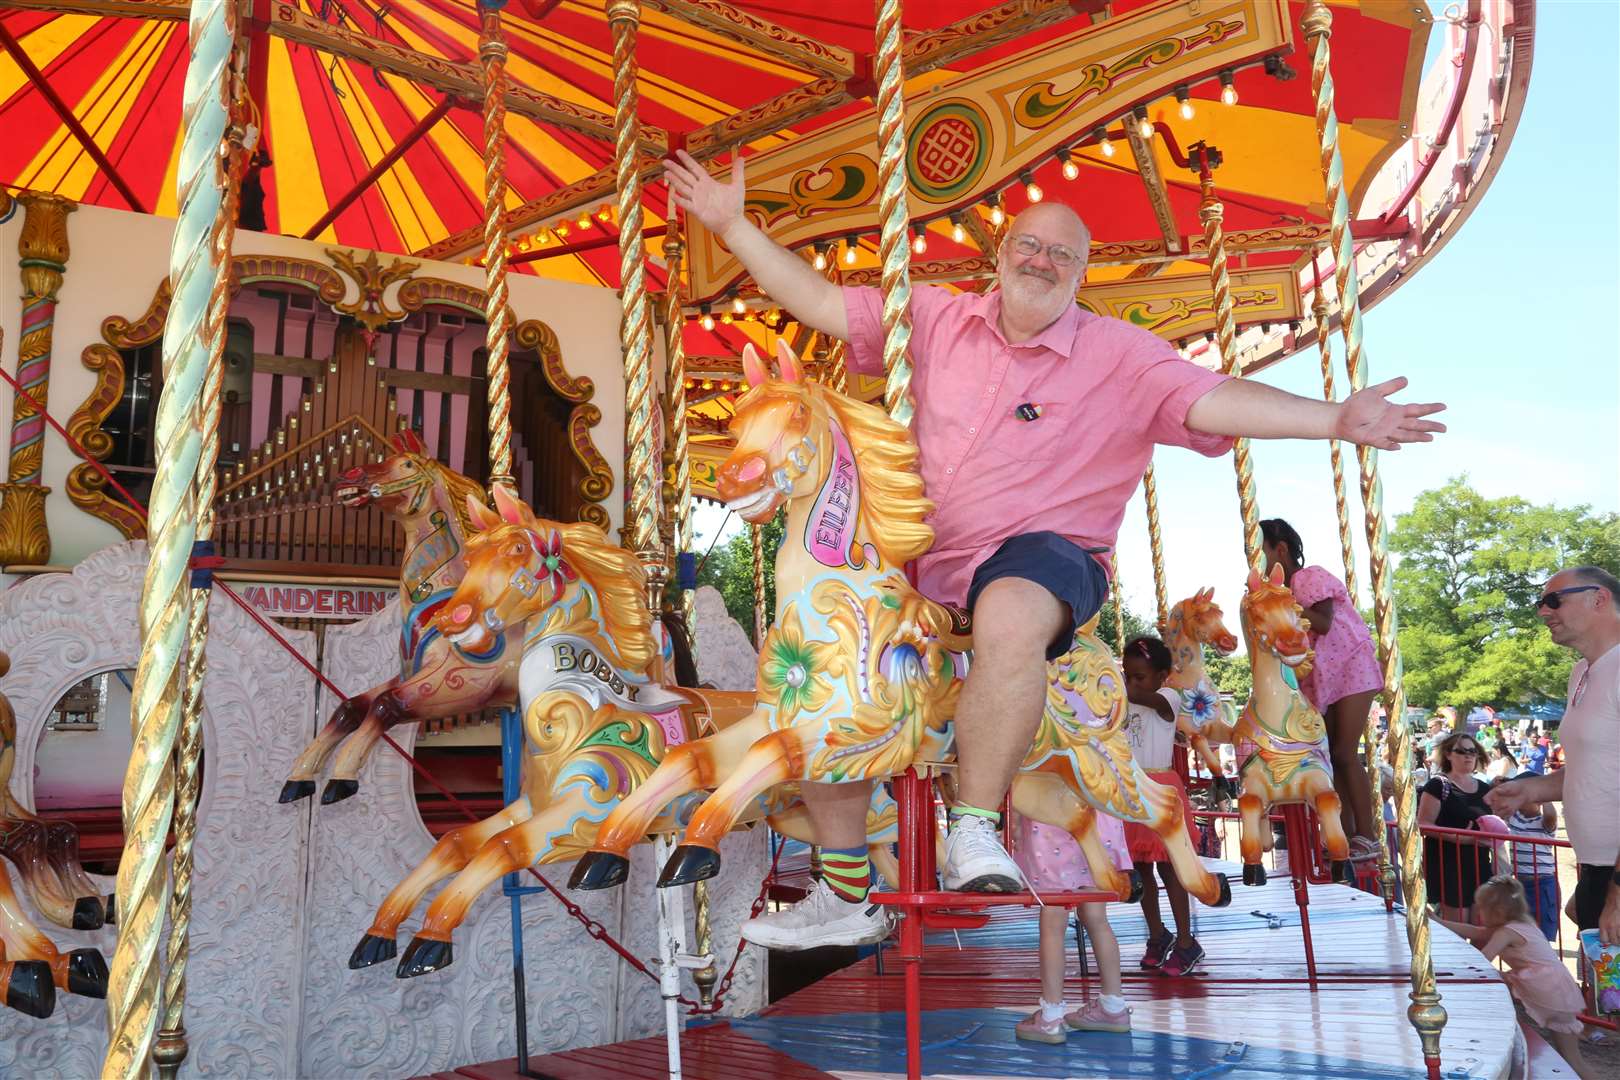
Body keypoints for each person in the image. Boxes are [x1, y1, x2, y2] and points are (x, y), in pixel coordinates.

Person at [666, 150, 1448, 948]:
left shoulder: (1121, 355)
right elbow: (824, 301)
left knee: (1009, 609)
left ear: (1082, 276)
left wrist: (1333, 418)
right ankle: (844, 890)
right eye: (1026, 248)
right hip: (931, 566)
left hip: (1047, 556)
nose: (1040, 262)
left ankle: (972, 824)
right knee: (829, 686)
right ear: (999, 258)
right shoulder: (937, 317)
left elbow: (1215, 400)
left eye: (1061, 255)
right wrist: (732, 227)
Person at [1488, 566, 1620, 947]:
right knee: (1603, 998)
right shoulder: (1581, 672)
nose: (1543, 612)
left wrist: (1616, 891)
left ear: (1599, 598)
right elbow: (1597, 769)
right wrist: (1531, 791)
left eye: (1553, 600)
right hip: (1600, 868)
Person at [1259, 518, 1384, 862]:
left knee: (1344, 752)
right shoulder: (1277, 593)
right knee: (1328, 758)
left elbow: (1325, 622)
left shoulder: (1307, 577)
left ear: (1280, 549)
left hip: (1349, 665)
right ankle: (1341, 833)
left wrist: (1282, 601)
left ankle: (1369, 835)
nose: (1257, 563)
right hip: (1319, 676)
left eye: (1261, 553)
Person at [1438, 876, 1592, 1078]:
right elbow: (1476, 932)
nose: (1479, 913)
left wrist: (1453, 965)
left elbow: (1484, 958)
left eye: (1482, 908)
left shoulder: (1507, 932)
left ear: (1496, 912)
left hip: (1546, 989)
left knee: (1572, 1060)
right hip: (1557, 988)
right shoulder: (1522, 924)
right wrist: (1439, 923)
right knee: (1571, 1058)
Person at [1119, 636, 1205, 976]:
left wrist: (1110, 686)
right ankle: (1157, 935)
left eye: (1138, 676)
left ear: (1161, 676)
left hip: (1160, 787)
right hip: (1133, 788)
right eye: (1127, 675)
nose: (1131, 682)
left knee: (1171, 868)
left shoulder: (1168, 696)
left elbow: (1140, 697)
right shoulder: (1127, 699)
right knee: (1140, 871)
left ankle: (1186, 941)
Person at [1010, 812, 1132, 1041]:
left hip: (1053, 822)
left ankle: (1051, 1016)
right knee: (1096, 916)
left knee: (1053, 920)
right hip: (1099, 824)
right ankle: (1114, 1006)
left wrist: (1015, 821)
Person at [1419, 731, 1496, 920]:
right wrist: (1458, 838)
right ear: (1448, 754)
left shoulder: (1485, 788)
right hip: (1449, 866)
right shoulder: (1438, 785)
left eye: (1472, 751)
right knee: (1458, 928)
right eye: (1461, 751)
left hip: (1479, 864)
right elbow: (1422, 824)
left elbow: (1494, 824)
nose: (1468, 755)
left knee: (1483, 925)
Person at [1505, 783, 1562, 941]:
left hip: (1543, 882)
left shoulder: (1545, 822)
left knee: (1543, 929)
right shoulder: (1515, 818)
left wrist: (1543, 794)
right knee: (1524, 929)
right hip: (1521, 883)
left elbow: (1551, 815)